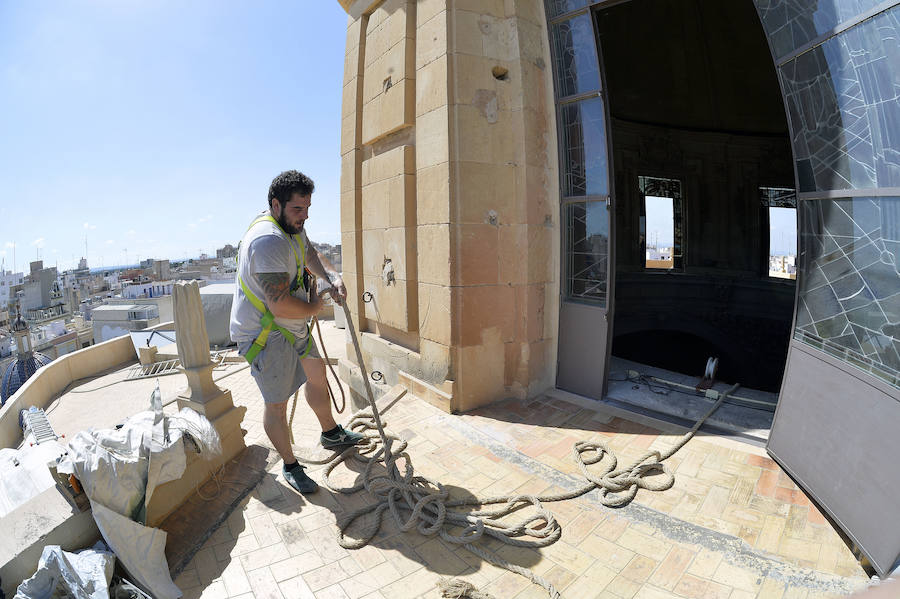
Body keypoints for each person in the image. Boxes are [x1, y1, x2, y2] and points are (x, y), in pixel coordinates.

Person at [229, 170, 363, 494]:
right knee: (276, 403)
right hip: (266, 335)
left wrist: (333, 277)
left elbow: (310, 254)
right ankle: (291, 465)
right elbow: (280, 305)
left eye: (307, 209)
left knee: (317, 376)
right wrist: (317, 307)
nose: (304, 217)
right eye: (297, 210)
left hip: (290, 326)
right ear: (276, 205)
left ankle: (330, 432)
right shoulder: (267, 240)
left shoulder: (291, 228)